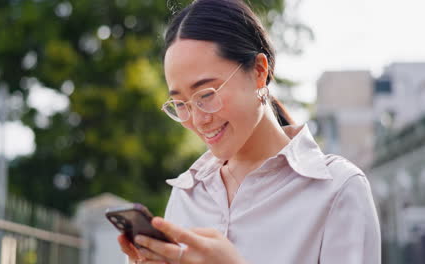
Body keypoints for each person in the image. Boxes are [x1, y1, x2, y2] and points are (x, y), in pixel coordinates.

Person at [118, 0, 381, 263]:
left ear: (258, 71)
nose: (198, 120)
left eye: (207, 94)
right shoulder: (187, 194)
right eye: (179, 103)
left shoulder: (337, 189)